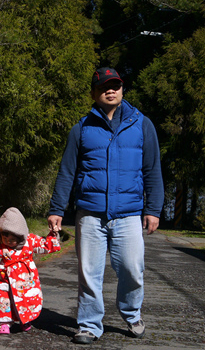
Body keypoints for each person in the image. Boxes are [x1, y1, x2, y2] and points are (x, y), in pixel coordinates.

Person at [48, 67, 164, 344]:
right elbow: (67, 172)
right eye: (103, 87)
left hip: (128, 213)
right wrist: (56, 209)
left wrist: (153, 209)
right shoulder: (82, 128)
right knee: (89, 273)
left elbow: (152, 169)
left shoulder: (142, 124)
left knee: (132, 270)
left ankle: (132, 313)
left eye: (115, 85)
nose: (110, 90)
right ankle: (89, 324)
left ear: (123, 90)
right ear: (94, 93)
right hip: (89, 213)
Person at [0, 207, 61, 334]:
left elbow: (45, 245)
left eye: (12, 240)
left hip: (26, 278)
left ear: (20, 236)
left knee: (26, 299)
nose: (8, 242)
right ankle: (4, 323)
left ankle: (25, 320)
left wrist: (53, 234)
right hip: (5, 278)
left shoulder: (30, 240)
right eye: (5, 239)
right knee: (4, 300)